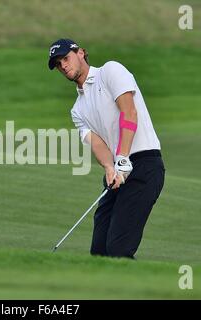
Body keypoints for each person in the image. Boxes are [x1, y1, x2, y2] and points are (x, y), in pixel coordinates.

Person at [48, 39, 165, 259]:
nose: (63, 66)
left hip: (144, 165)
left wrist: (122, 157)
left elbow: (129, 113)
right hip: (117, 172)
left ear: (81, 53)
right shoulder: (77, 109)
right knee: (99, 253)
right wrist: (110, 167)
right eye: (57, 64)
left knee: (119, 250)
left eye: (66, 58)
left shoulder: (110, 71)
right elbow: (97, 143)